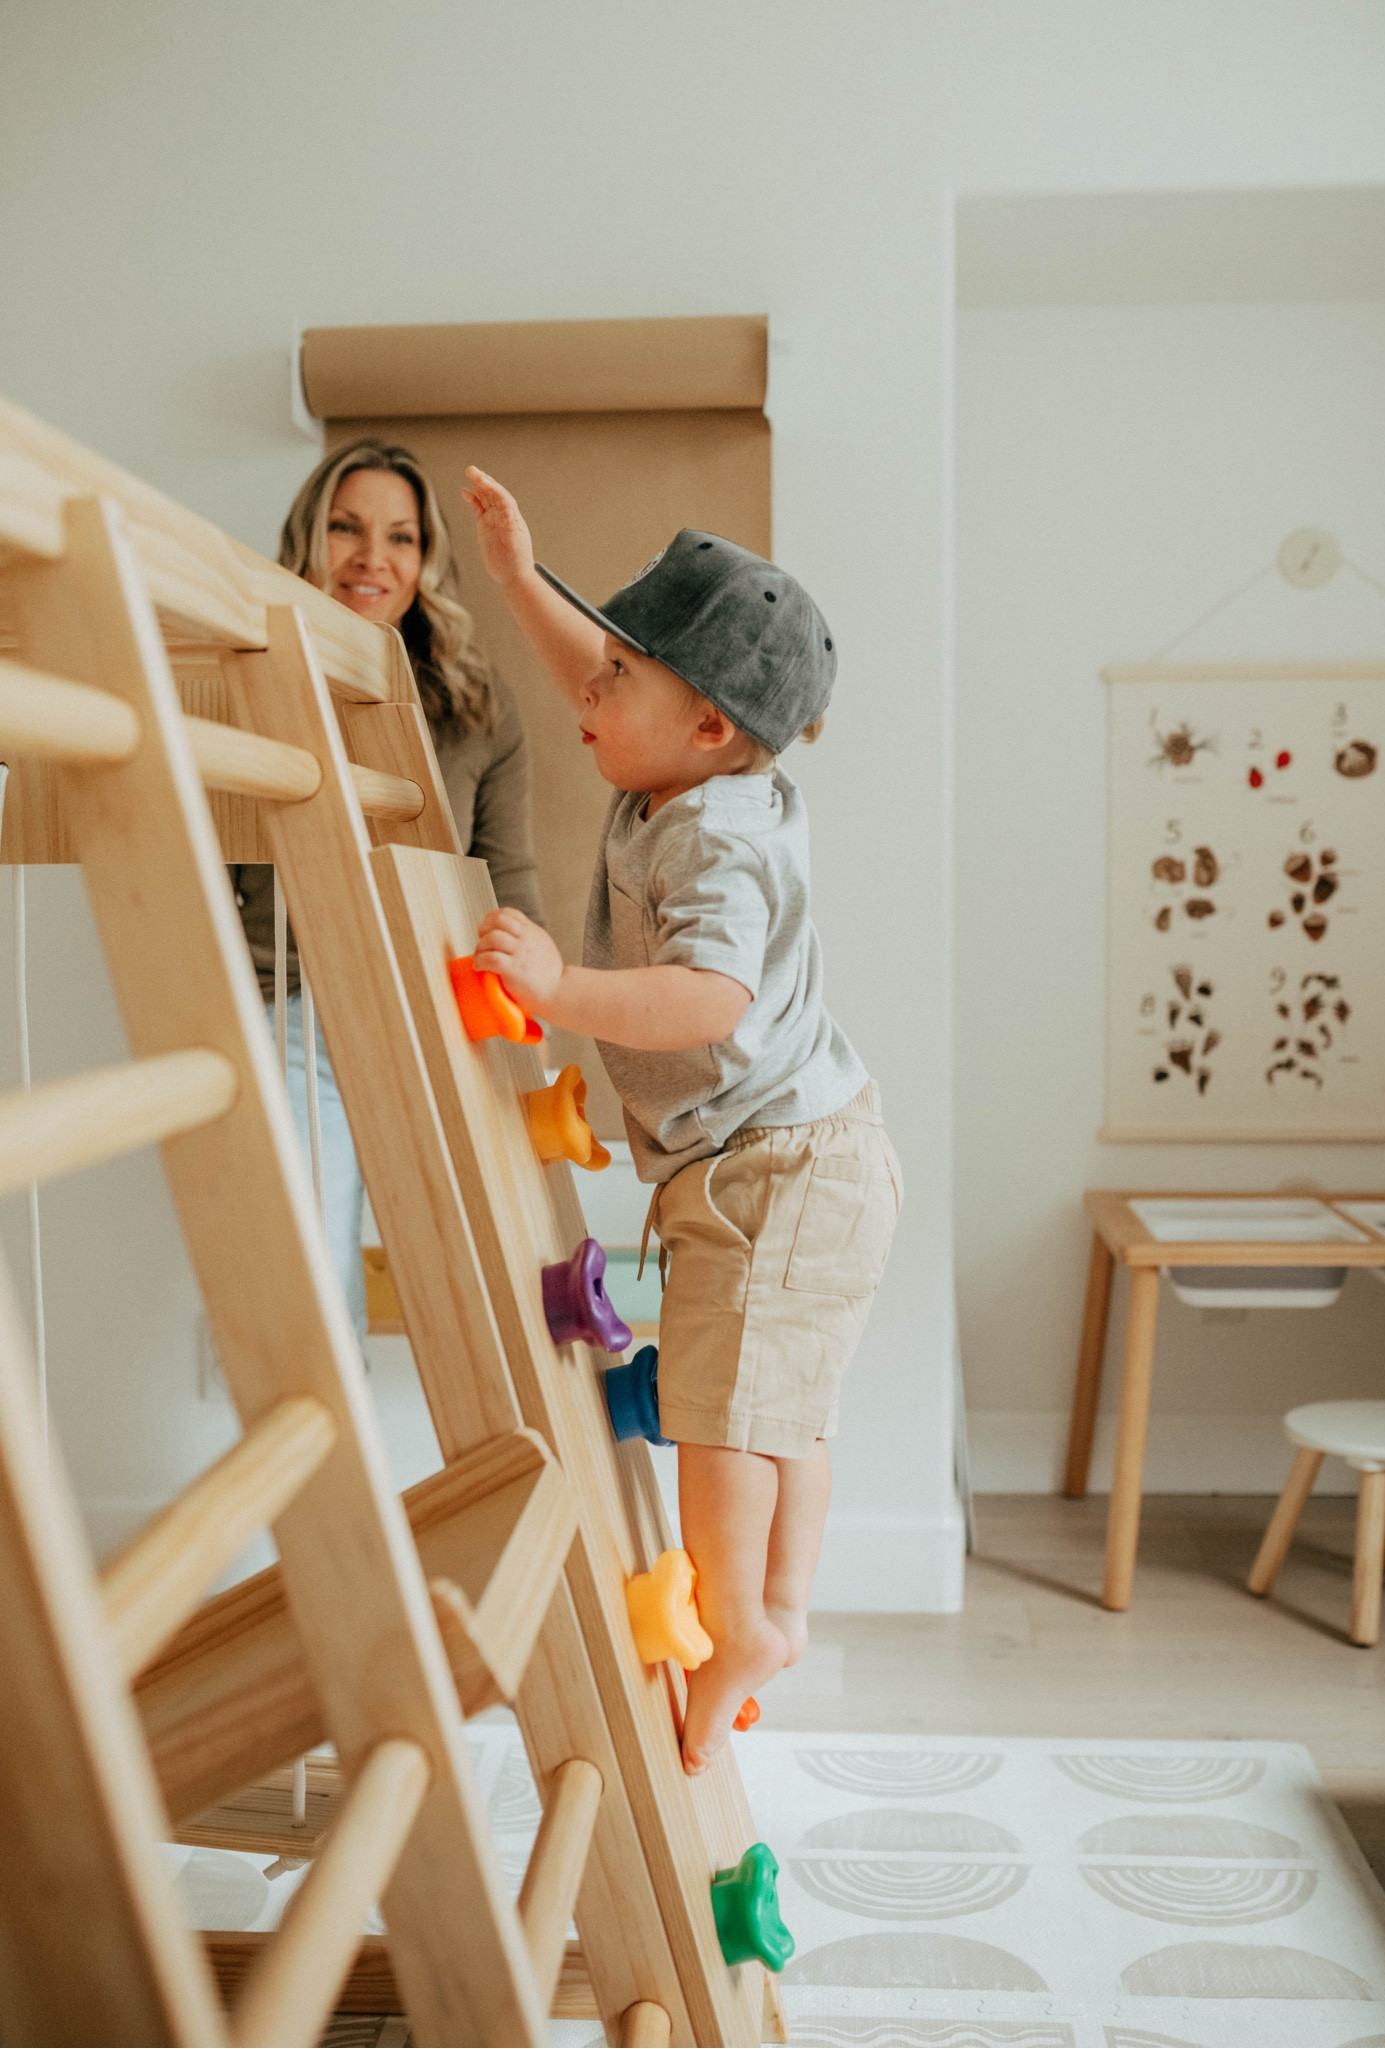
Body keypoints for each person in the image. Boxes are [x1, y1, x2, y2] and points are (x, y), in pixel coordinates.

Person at [463, 465, 902, 1774]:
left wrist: (564, 988)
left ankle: (740, 1630)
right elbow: (600, 662)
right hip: (816, 1155)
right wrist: (514, 578)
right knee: (783, 1413)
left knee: (722, 1416)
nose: (588, 692)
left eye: (615, 684)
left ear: (704, 724)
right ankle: (778, 1609)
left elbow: (709, 999)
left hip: (774, 1172)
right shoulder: (689, 765)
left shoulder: (711, 835)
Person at [231, 443, 544, 1343]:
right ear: (307, 538)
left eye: (400, 537)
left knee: (481, 1289)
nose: (374, 557)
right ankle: (339, 1480)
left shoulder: (479, 704)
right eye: (347, 527)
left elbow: (507, 874)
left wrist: (533, 1017)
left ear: (425, 560)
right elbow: (212, 872)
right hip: (297, 1010)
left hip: (441, 1012)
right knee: (308, 1286)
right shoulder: (246, 677)